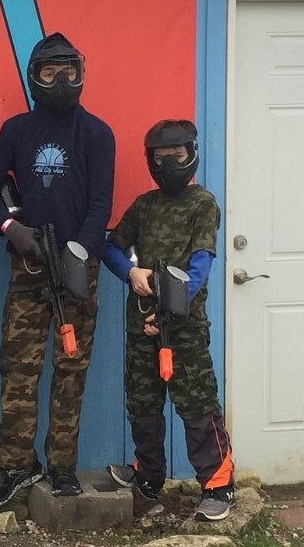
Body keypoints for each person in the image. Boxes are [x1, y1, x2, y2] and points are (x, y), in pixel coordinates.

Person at [0, 32, 115, 504]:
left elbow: (101, 205)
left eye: (68, 71)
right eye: (50, 72)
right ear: (34, 77)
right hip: (28, 268)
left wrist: (79, 254)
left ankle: (62, 466)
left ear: (81, 73)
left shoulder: (97, 133)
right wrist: (13, 230)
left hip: (78, 268)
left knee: (71, 368)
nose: (61, 80)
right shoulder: (17, 130)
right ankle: (16, 466)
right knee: (19, 369)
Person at [102, 119, 234, 521]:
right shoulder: (145, 205)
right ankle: (148, 476)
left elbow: (200, 265)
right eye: (160, 158)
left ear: (191, 154)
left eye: (176, 156)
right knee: (143, 405)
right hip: (141, 325)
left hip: (184, 329)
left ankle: (218, 485)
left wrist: (170, 310)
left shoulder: (203, 204)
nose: (169, 165)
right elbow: (111, 248)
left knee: (197, 405)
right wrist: (131, 272)